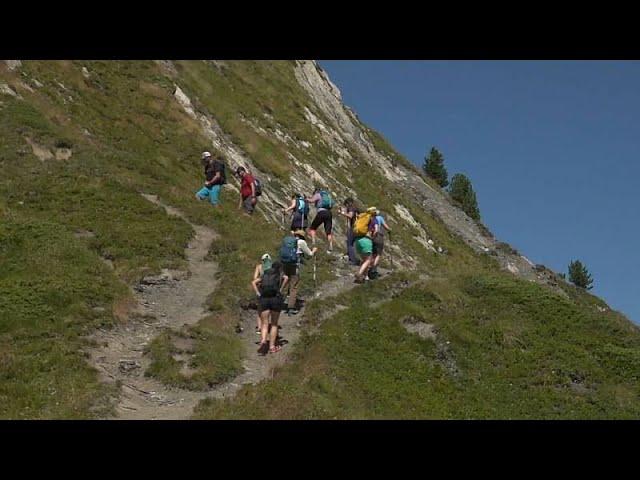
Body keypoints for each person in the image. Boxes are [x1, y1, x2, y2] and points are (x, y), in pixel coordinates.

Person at [252, 261, 289, 355]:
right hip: (275, 299)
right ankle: (272, 347)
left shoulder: (265, 274)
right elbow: (286, 278)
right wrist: (281, 289)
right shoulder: (279, 275)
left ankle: (263, 341)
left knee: (264, 324)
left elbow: (254, 282)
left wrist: (258, 293)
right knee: (274, 324)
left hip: (264, 299)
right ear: (280, 268)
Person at [280, 229, 317, 316]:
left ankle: (279, 300)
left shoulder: (287, 240)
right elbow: (309, 254)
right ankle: (290, 308)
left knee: (284, 282)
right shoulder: (301, 242)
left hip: (285, 264)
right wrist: (314, 250)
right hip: (294, 266)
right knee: (294, 286)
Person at [353, 207, 377, 283]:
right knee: (368, 260)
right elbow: (376, 230)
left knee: (364, 260)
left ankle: (365, 277)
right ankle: (359, 273)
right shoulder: (372, 220)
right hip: (366, 240)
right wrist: (373, 237)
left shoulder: (361, 218)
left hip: (357, 240)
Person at [308, 187, 334, 252]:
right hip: (329, 213)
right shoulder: (328, 196)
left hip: (321, 212)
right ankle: (330, 245)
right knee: (328, 231)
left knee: (312, 228)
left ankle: (313, 243)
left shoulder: (318, 194)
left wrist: (306, 199)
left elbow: (311, 200)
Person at [252, 253, 273, 335]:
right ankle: (267, 326)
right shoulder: (272, 267)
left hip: (261, 289)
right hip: (271, 290)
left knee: (260, 309)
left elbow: (254, 278)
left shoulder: (259, 266)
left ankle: (259, 327)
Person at [369, 209, 392, 279]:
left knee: (373, 254)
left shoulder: (370, 219)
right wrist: (390, 230)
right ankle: (373, 268)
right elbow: (386, 227)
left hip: (371, 237)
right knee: (378, 254)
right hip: (378, 237)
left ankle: (370, 266)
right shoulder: (379, 218)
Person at [337, 197, 360, 266]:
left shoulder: (351, 207)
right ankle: (354, 257)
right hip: (358, 228)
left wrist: (342, 213)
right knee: (353, 243)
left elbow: (350, 216)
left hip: (354, 228)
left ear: (348, 203)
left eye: (346, 204)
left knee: (349, 244)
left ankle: (352, 260)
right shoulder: (356, 208)